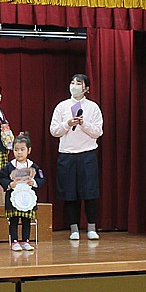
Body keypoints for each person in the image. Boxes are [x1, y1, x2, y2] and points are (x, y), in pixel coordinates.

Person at [49, 73, 103, 241]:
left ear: (86, 89)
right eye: (72, 82)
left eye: (78, 83)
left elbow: (98, 132)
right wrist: (68, 123)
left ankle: (91, 228)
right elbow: (54, 131)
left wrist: (83, 123)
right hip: (67, 155)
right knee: (69, 193)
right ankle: (74, 229)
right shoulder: (62, 106)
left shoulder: (93, 107)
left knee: (90, 192)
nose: (74, 86)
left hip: (87, 154)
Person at [0, 132, 46, 252]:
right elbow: (1, 178)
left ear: (29, 150)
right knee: (13, 220)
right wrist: (9, 184)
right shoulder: (9, 166)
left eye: (22, 149)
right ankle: (14, 241)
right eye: (16, 150)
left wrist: (34, 182)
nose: (19, 152)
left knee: (26, 220)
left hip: (28, 198)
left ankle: (25, 241)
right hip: (13, 198)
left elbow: (41, 178)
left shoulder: (33, 166)